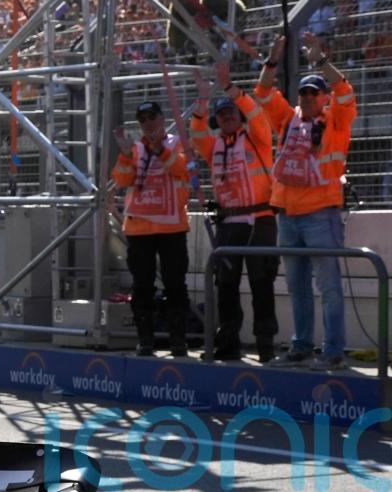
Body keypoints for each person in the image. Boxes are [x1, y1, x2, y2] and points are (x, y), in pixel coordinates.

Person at [256, 34, 357, 371]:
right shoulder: (288, 120)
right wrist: (272, 60)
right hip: (287, 215)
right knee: (296, 286)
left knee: (329, 286)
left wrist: (320, 61)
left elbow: (345, 91)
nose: (309, 97)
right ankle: (300, 347)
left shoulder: (336, 121)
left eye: (315, 93)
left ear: (324, 97)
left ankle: (333, 353)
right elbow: (263, 93)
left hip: (321, 215)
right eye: (304, 93)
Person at [190, 62, 279, 362]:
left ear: (238, 115)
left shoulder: (256, 136)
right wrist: (203, 99)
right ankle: (227, 343)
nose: (227, 117)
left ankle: (265, 345)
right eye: (221, 114)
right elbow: (196, 131)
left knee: (261, 283)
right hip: (228, 223)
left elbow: (254, 111)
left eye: (230, 112)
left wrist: (229, 87)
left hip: (260, 220)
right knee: (225, 285)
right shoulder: (212, 145)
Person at [112, 102, 191, 357]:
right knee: (142, 286)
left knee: (175, 284)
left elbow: (182, 169)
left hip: (171, 227)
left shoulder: (177, 143)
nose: (148, 123)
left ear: (162, 118)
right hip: (139, 228)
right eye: (142, 119)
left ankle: (177, 338)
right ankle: (145, 339)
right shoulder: (134, 149)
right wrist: (125, 155)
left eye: (152, 117)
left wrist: (159, 150)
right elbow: (121, 179)